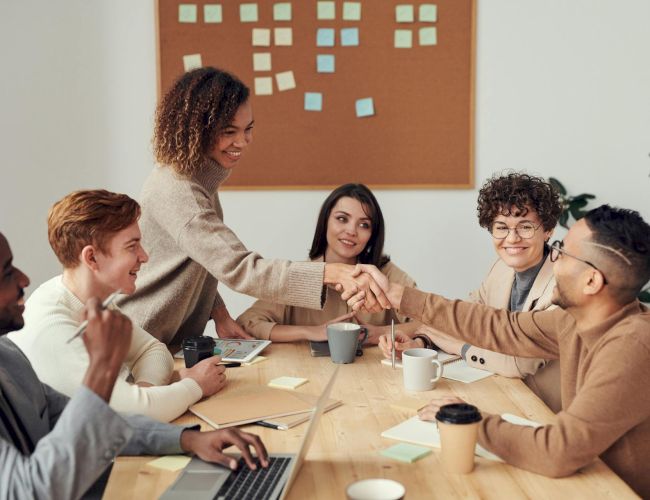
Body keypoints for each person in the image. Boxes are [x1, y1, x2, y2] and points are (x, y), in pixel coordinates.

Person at [366, 205, 650, 497]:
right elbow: (504, 327)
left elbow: (558, 451)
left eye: (562, 252)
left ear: (591, 281)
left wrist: (471, 420)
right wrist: (400, 296)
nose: (553, 258)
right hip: (587, 478)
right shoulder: (576, 320)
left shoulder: (633, 346)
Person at [119, 67, 389, 347]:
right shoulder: (180, 192)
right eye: (229, 131)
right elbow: (241, 268)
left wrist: (219, 313)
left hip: (163, 343)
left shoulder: (196, 182)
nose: (242, 142)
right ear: (197, 130)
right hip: (139, 340)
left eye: (248, 129)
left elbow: (200, 259)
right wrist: (329, 273)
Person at [0, 231, 269, 499]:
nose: (24, 279)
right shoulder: (50, 321)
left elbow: (93, 422)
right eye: (6, 272)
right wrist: (102, 368)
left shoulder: (8, 356)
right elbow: (32, 492)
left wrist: (186, 440)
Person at [9, 190, 225, 422]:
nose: (144, 256)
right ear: (91, 258)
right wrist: (195, 386)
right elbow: (134, 415)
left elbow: (152, 350)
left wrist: (145, 393)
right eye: (132, 246)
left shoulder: (91, 299)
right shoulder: (52, 328)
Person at [379, 172, 563, 411]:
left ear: (548, 230)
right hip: (503, 395)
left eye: (525, 227)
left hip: (545, 412)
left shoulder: (563, 284)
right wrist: (421, 342)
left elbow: (518, 363)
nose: (512, 238)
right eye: (501, 227)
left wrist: (460, 348)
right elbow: (463, 320)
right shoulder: (500, 269)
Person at [237, 184, 420, 343]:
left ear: (372, 234)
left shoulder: (387, 275)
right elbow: (247, 323)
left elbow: (431, 324)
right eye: (342, 219)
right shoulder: (300, 276)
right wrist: (311, 332)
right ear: (325, 222)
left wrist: (380, 332)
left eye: (364, 225)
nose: (351, 231)